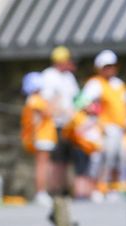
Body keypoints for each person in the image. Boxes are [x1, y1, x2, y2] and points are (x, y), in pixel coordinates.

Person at [81, 50, 126, 197]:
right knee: (106, 157)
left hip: (121, 128)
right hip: (106, 128)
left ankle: (114, 187)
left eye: (112, 66)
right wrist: (93, 112)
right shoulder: (96, 84)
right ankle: (99, 187)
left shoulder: (120, 84)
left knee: (120, 159)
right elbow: (81, 102)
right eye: (106, 66)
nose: (110, 69)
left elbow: (125, 105)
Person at [39, 45, 81, 197]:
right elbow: (47, 101)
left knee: (65, 160)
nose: (70, 64)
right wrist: (61, 110)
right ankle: (53, 191)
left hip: (69, 124)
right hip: (54, 124)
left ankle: (63, 191)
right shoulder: (48, 76)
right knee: (54, 160)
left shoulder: (68, 77)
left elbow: (76, 98)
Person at [19, 72, 56, 207]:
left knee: (44, 164)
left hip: (43, 136)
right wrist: (53, 101)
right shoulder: (35, 100)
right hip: (41, 136)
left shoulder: (34, 100)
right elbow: (49, 112)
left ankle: (43, 191)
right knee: (42, 165)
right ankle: (41, 192)